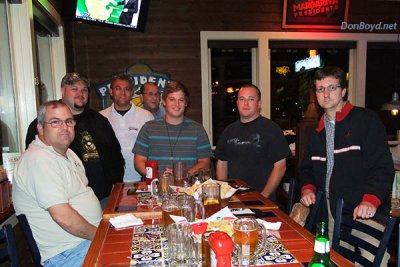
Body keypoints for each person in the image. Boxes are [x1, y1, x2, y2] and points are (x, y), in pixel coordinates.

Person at [299, 66, 394, 265]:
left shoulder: (366, 120)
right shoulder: (317, 132)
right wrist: (308, 188)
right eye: (320, 89)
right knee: (334, 260)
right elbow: (307, 168)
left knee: (372, 260)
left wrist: (370, 200)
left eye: (331, 87)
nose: (325, 94)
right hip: (329, 211)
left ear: (343, 91)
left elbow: (383, 167)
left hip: (364, 212)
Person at [13, 101, 102, 266]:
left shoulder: (67, 153)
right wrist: (102, 236)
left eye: (69, 121)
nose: (64, 127)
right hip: (67, 254)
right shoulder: (38, 160)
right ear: (40, 128)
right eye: (55, 122)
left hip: (83, 244)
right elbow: (63, 217)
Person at [25, 73, 125, 207]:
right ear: (63, 91)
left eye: (84, 89)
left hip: (105, 199)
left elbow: (116, 156)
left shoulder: (100, 120)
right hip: (66, 203)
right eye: (74, 89)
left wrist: (116, 187)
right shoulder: (45, 125)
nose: (80, 93)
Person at [215, 84, 291, 200]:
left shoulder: (271, 129)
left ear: (259, 104)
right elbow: (222, 163)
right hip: (234, 199)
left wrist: (263, 197)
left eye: (251, 99)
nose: (246, 104)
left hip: (263, 200)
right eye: (242, 99)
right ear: (237, 103)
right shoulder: (228, 131)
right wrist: (224, 193)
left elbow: (280, 166)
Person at [133, 80, 212, 176]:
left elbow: (205, 162)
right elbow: (139, 161)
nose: (177, 104)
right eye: (172, 99)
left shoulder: (198, 130)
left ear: (186, 103)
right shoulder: (148, 128)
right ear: (164, 102)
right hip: (156, 188)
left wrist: (183, 175)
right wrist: (158, 178)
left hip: (189, 189)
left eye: (181, 100)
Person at [100, 74, 153, 182]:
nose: (122, 93)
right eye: (118, 88)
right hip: (110, 181)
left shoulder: (146, 116)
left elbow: (153, 150)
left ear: (132, 93)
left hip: (141, 179)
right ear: (111, 91)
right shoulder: (100, 117)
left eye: (127, 89)